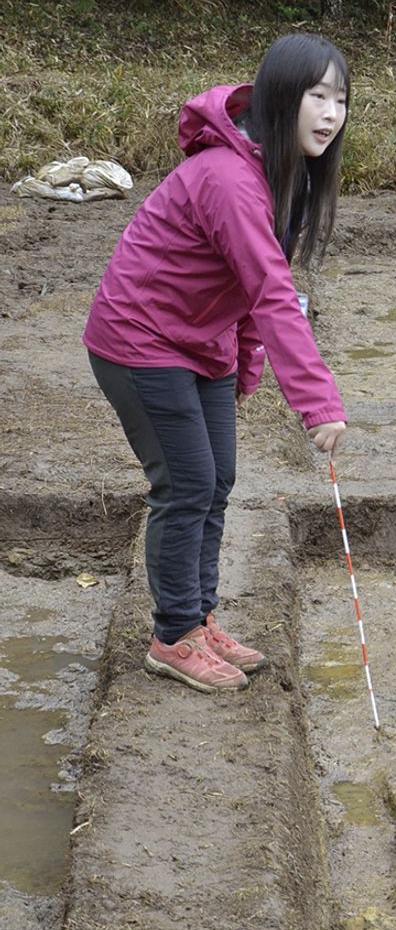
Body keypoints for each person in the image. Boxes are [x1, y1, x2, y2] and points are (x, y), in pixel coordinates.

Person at [84, 34, 349, 694]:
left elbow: (254, 288)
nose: (329, 112)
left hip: (199, 342)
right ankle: (172, 637)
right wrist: (317, 402)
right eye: (316, 95)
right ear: (280, 96)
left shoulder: (285, 174)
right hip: (139, 337)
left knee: (217, 477)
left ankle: (198, 617)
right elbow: (271, 293)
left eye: (340, 99)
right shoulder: (231, 178)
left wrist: (246, 366)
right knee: (186, 484)